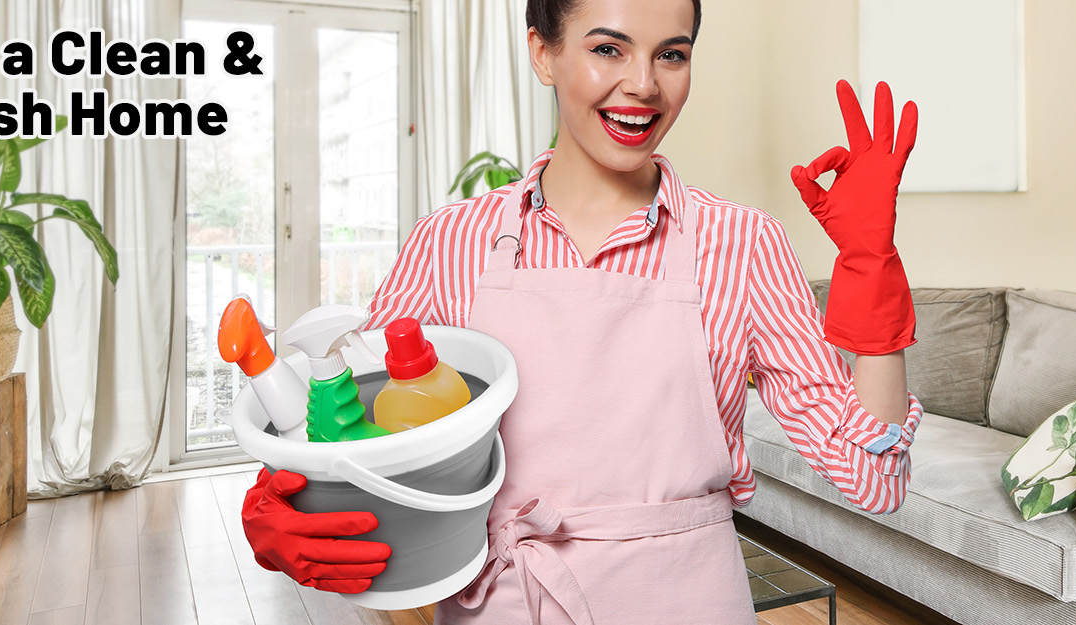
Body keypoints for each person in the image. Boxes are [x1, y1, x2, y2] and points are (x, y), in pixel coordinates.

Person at [242, 0, 924, 622]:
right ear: (543, 51)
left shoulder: (743, 244)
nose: (644, 85)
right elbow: (360, 435)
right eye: (608, 49)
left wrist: (872, 272)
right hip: (508, 602)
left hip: (689, 600)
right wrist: (284, 500)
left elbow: (872, 477)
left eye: (672, 53)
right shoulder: (451, 242)